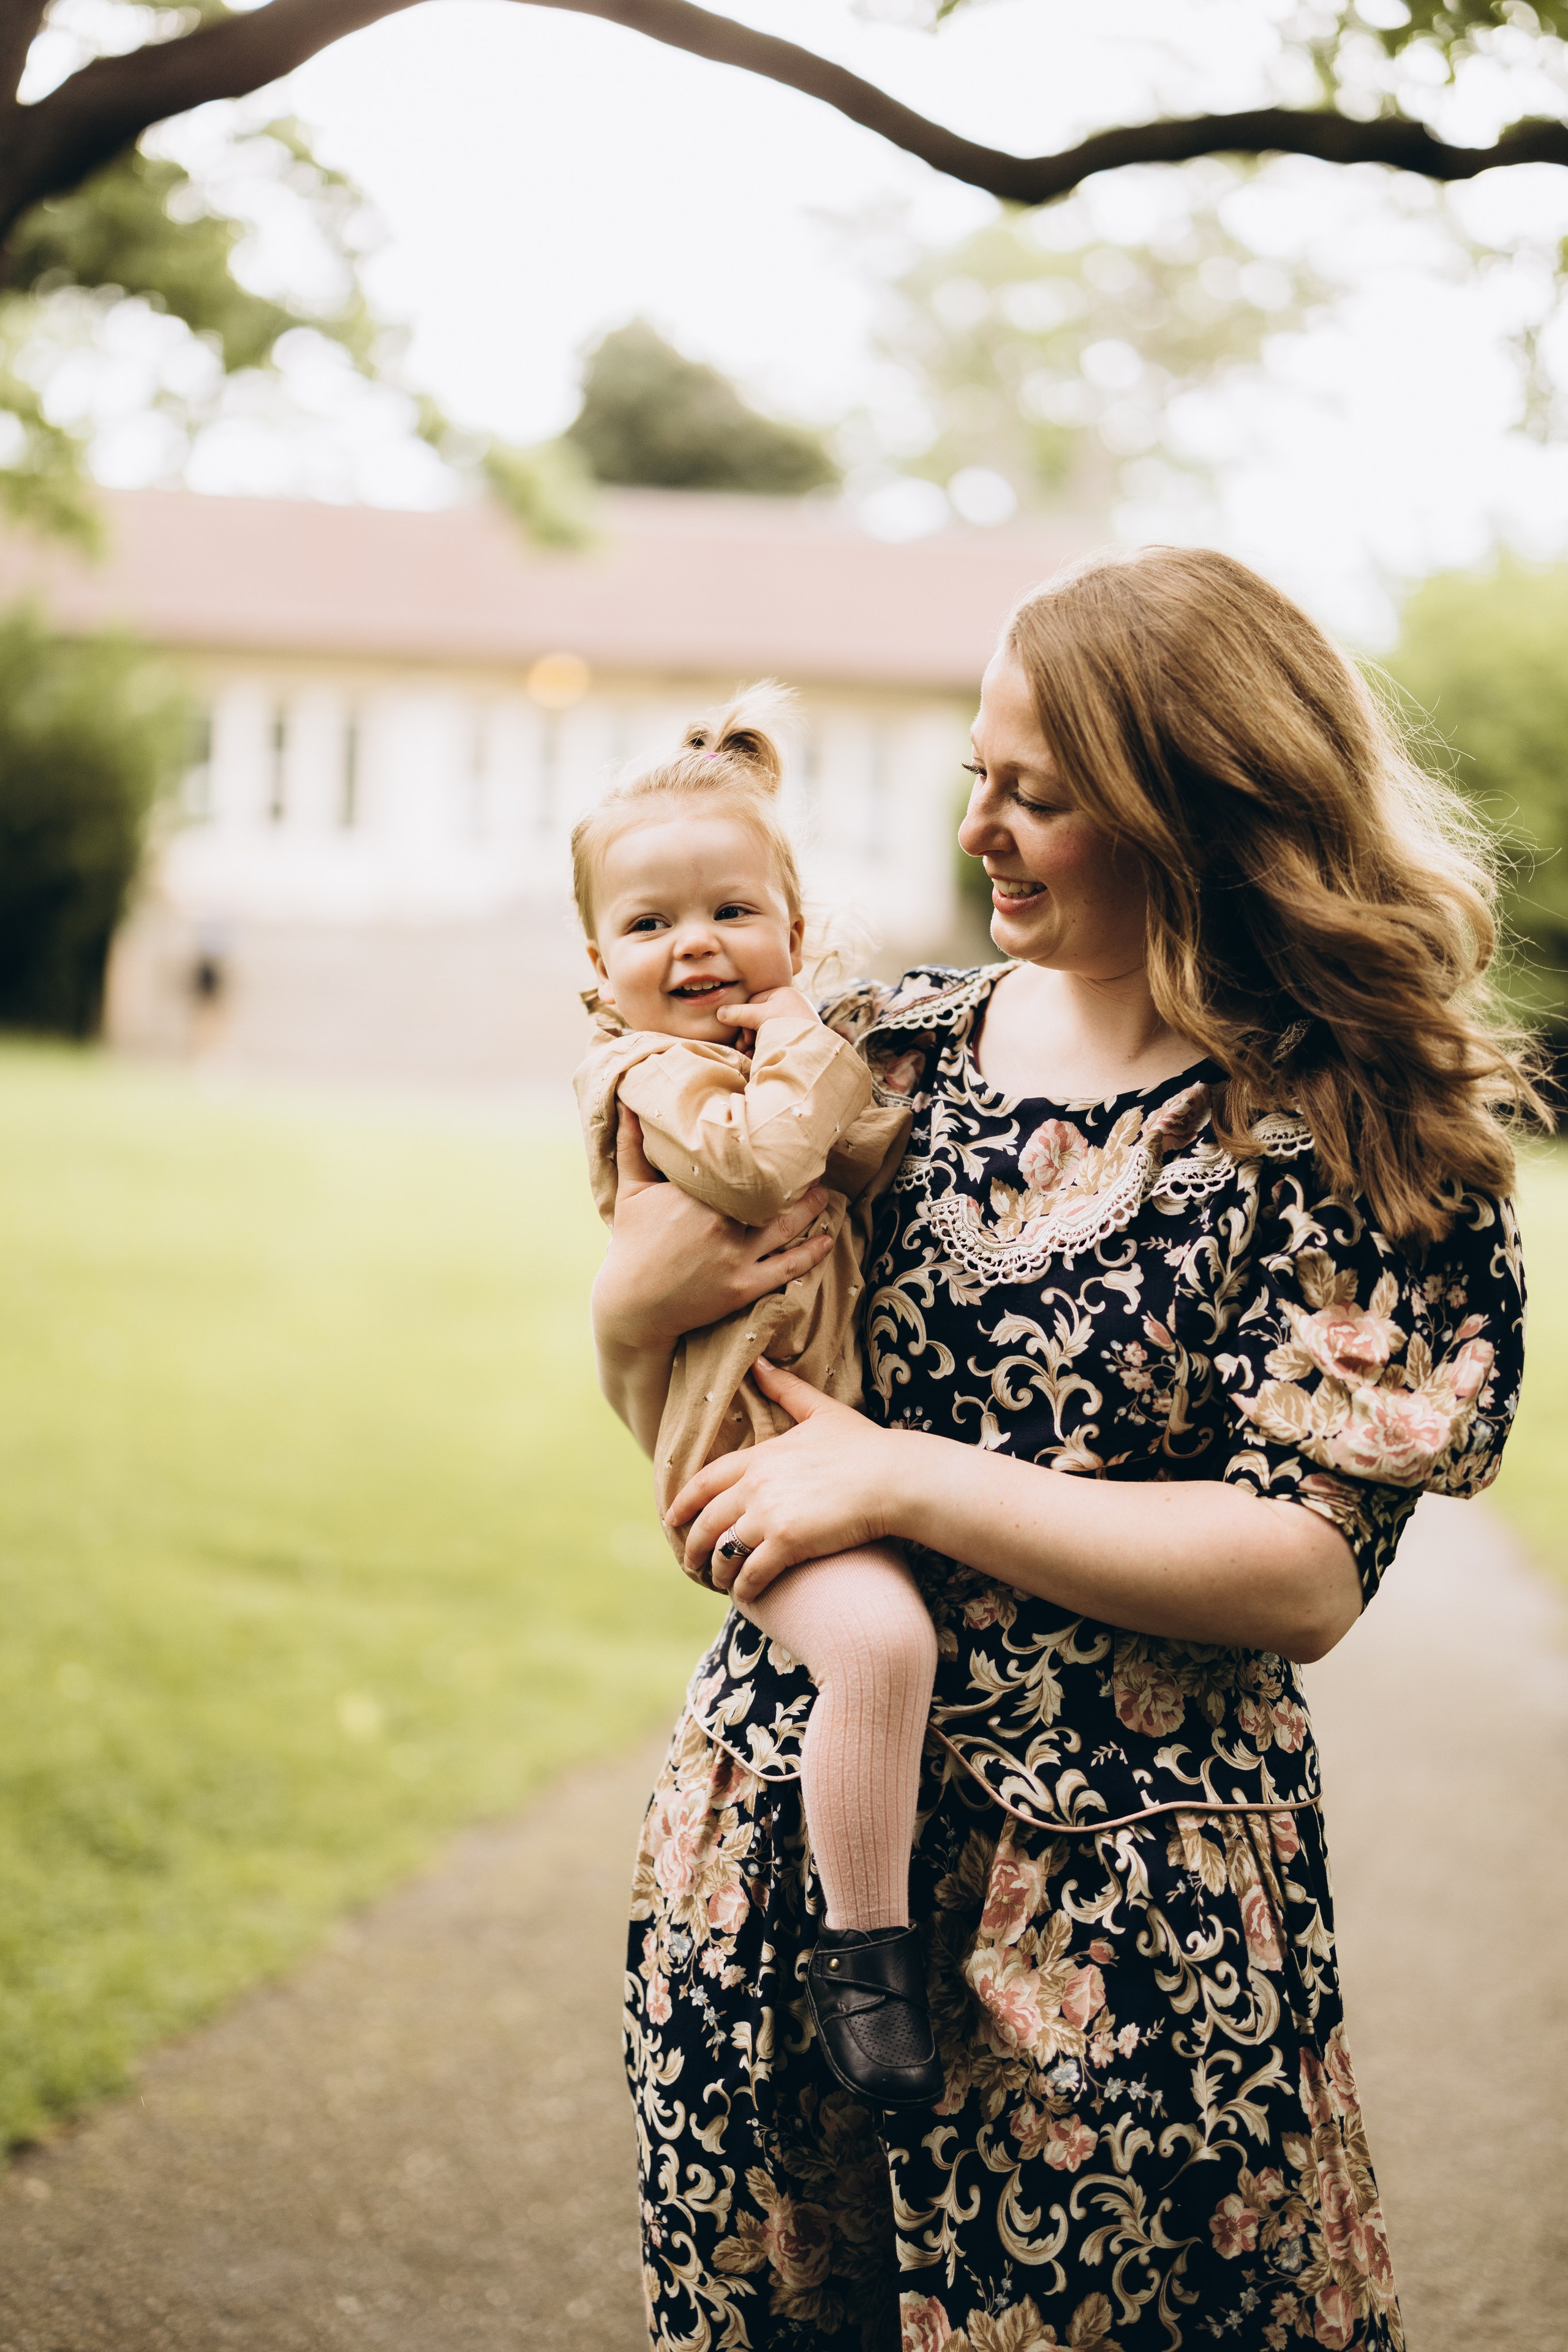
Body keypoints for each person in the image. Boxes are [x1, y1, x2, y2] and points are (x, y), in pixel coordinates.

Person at [596, 546, 1539, 2351]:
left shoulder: (1356, 1135)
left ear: (1195, 807)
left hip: (1128, 1919)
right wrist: (623, 1320)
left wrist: (907, 1476)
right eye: (978, 778)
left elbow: (1307, 1571)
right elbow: (706, 1375)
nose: (982, 833)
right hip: (776, 1854)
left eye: (1038, 795)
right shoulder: (879, 1063)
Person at [571, 694, 943, 2106]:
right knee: (879, 1650)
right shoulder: (653, 1069)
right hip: (744, 1454)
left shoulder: (755, 1050)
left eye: (733, 910)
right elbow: (761, 1166)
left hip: (812, 1430)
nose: (696, 947)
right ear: (599, 965)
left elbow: (858, 1147)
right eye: (651, 924)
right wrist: (803, 1035)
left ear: (792, 922)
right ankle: (867, 1962)